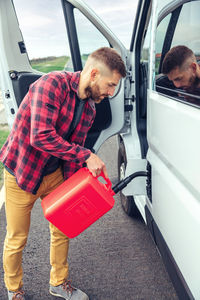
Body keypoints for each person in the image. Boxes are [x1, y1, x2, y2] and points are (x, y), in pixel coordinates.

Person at [0, 47, 126, 300]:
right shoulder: (50, 85)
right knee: (17, 237)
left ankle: (58, 282)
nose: (111, 93)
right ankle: (15, 290)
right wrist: (86, 155)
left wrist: (76, 185)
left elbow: (72, 150)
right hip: (22, 172)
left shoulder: (89, 109)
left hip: (54, 174)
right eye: (110, 85)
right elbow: (41, 137)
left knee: (62, 228)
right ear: (93, 74)